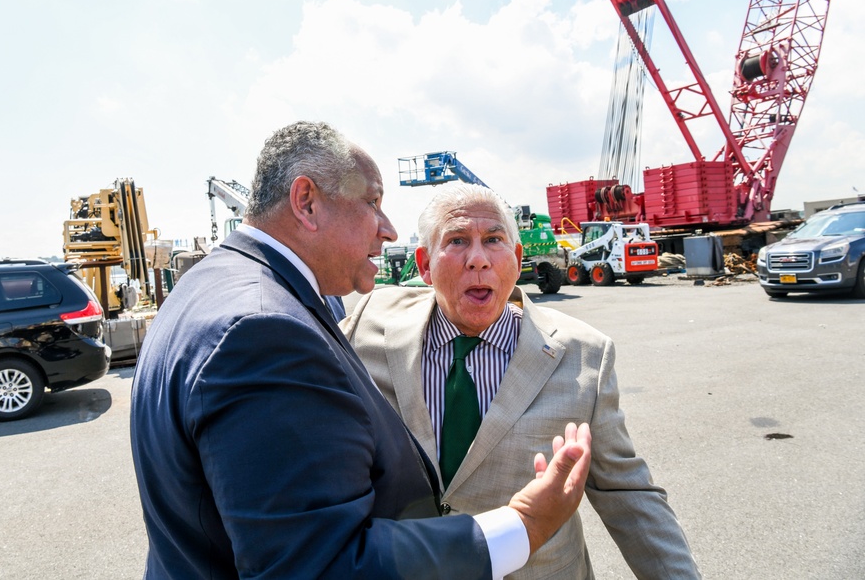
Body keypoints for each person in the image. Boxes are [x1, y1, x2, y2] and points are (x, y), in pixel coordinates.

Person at [130, 121, 593, 579]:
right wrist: (524, 526)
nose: (388, 230)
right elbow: (319, 564)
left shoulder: (209, 285)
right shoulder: (263, 331)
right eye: (372, 202)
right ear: (306, 203)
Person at [341, 184, 700, 579]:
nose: (478, 260)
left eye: (493, 240)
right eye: (457, 240)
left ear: (516, 258)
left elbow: (628, 496)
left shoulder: (584, 357)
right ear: (424, 265)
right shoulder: (368, 324)